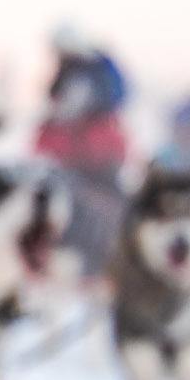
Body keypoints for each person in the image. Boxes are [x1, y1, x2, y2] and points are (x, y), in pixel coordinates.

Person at [34, 24, 131, 280]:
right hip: (94, 156)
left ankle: (98, 269)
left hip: (85, 158)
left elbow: (68, 111)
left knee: (85, 215)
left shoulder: (80, 75)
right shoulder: (90, 71)